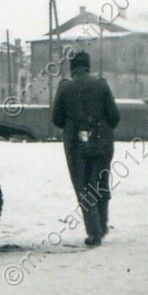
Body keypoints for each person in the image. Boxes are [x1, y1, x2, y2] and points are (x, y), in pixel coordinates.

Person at [50, 49, 120, 246]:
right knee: (101, 181)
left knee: (84, 187)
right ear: (88, 66)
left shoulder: (65, 87)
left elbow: (56, 119)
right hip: (103, 142)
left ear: (73, 69)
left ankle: (94, 232)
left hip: (76, 144)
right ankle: (103, 225)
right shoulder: (102, 84)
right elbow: (115, 117)